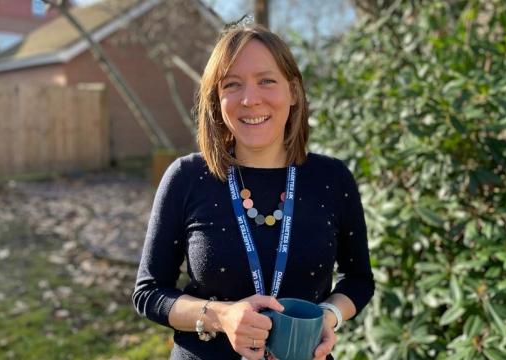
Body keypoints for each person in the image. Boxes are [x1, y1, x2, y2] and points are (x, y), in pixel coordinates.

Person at [132, 23, 374, 360]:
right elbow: (149, 292)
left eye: (266, 81)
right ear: (217, 99)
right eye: (232, 84)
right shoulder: (187, 177)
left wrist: (328, 316)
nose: (250, 99)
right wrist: (221, 317)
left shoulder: (331, 178)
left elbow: (359, 279)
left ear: (293, 92)